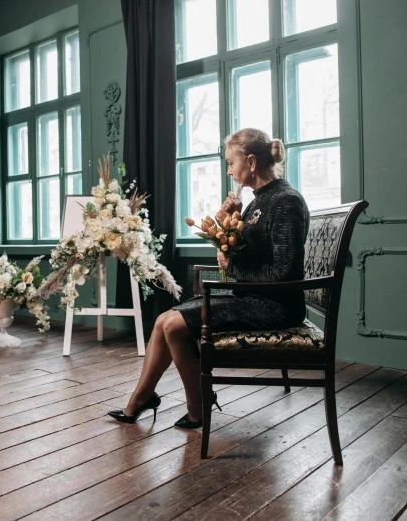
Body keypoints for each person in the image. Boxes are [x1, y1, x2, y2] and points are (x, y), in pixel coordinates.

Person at [108, 128, 310, 429]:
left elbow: (284, 273)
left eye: (231, 163)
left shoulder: (286, 202)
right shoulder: (257, 202)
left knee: (174, 324)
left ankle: (196, 406)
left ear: (251, 162)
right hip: (252, 298)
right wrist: (228, 220)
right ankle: (144, 398)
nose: (229, 171)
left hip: (275, 306)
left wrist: (233, 264)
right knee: (165, 321)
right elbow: (243, 254)